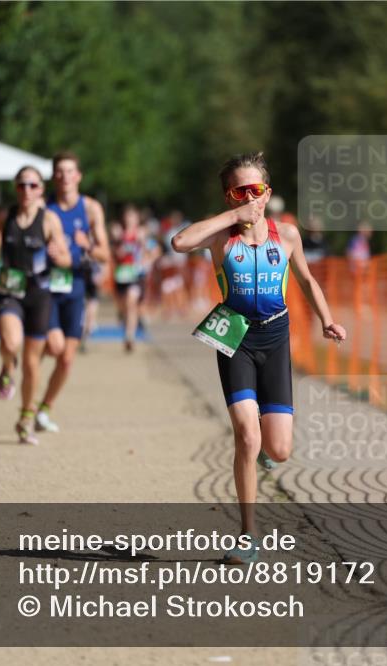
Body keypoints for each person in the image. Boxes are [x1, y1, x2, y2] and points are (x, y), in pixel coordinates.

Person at [172, 152, 346, 564]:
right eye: (239, 192)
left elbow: (306, 279)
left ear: (268, 193)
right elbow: (179, 242)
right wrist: (232, 216)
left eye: (256, 190)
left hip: (275, 337)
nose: (249, 198)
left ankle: (268, 451)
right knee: (247, 437)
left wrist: (327, 319)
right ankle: (248, 534)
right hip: (236, 338)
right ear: (228, 197)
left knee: (279, 449)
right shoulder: (221, 236)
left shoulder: (286, 235)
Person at [0, 166, 71, 444]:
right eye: (21, 185)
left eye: (32, 185)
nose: (26, 191)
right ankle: (7, 367)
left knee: (31, 362)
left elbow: (66, 259)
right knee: (10, 342)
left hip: (39, 294)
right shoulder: (4, 216)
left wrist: (58, 255)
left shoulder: (49, 220)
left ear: (41, 189)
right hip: (9, 289)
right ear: (15, 188)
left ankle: (26, 417)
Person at [34, 151, 110, 433]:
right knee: (54, 347)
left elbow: (105, 254)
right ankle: (30, 368)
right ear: (54, 176)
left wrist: (86, 245)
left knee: (66, 358)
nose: (65, 176)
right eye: (60, 171)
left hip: (76, 287)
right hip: (46, 287)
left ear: (78, 176)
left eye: (70, 171)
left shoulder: (90, 209)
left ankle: (44, 409)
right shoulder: (44, 206)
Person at [112, 204, 148, 352]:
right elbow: (117, 253)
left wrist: (140, 242)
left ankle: (129, 336)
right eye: (127, 216)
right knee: (124, 307)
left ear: (137, 218)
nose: (130, 219)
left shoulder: (141, 232)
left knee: (131, 302)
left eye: (132, 216)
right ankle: (124, 319)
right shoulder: (118, 233)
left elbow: (146, 249)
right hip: (121, 273)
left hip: (136, 273)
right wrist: (119, 240)